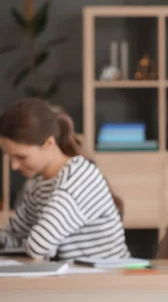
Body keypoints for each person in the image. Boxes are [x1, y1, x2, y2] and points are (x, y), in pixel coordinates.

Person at [0, 98, 130, 260]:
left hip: (110, 280)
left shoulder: (79, 178)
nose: (14, 166)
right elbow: (13, 235)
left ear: (49, 143)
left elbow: (39, 246)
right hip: (75, 280)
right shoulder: (39, 185)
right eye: (10, 157)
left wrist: (25, 244)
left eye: (21, 157)